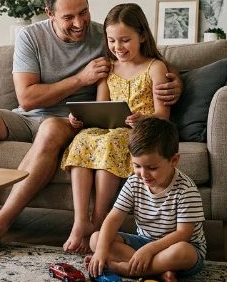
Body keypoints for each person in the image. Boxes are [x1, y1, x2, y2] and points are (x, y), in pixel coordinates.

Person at [0, 0, 181, 248]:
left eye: (84, 12)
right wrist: (81, 79)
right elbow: (26, 98)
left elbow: (149, 59)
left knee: (51, 126)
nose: (79, 22)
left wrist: (177, 83)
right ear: (49, 13)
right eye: (68, 17)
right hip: (27, 117)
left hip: (69, 122)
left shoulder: (106, 35)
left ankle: (0, 224)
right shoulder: (31, 36)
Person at [60, 3, 171, 254]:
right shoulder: (108, 68)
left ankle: (100, 222)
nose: (117, 47)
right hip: (110, 129)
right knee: (83, 138)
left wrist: (144, 118)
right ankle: (80, 222)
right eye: (111, 41)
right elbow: (100, 108)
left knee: (111, 142)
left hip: (142, 132)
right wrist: (80, 119)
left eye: (124, 40)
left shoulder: (155, 68)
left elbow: (163, 114)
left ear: (142, 36)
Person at [87, 117, 206, 282]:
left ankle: (126, 268)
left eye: (152, 168)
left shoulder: (186, 190)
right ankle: (157, 272)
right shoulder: (134, 182)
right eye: (137, 166)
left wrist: (149, 250)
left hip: (178, 248)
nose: (143, 174)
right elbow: (113, 218)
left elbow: (183, 234)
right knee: (96, 239)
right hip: (143, 242)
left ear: (174, 160)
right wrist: (100, 251)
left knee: (183, 251)